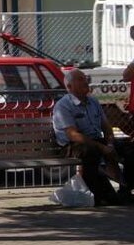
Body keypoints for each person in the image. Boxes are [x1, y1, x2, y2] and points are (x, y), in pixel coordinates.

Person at [53, 69, 134, 205]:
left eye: (85, 78)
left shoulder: (93, 101)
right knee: (90, 152)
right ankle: (100, 195)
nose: (85, 81)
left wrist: (110, 143)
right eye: (80, 79)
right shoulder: (63, 105)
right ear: (69, 87)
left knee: (131, 149)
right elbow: (73, 135)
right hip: (73, 145)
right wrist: (102, 147)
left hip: (97, 141)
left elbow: (106, 126)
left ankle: (125, 191)